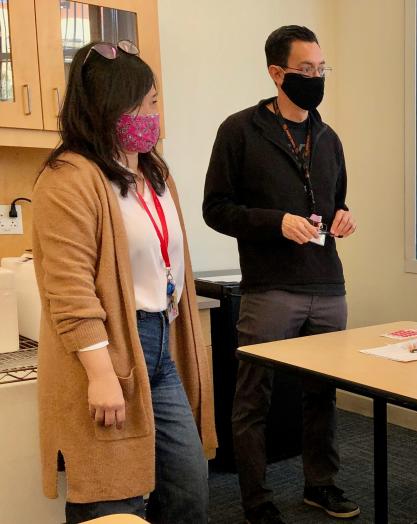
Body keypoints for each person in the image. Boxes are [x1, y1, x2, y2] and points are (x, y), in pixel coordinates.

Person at [32, 41, 216, 523]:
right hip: (109, 349)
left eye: (156, 101)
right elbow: (68, 290)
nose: (155, 113)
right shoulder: (68, 178)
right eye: (147, 103)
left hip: (158, 343)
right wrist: (100, 375)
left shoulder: (153, 173)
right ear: (108, 105)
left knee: (187, 490)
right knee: (114, 496)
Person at [202, 25, 358, 523]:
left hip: (327, 283)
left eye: (320, 70)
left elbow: (337, 202)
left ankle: (321, 484)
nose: (315, 79)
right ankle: (256, 500)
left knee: (323, 393)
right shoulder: (239, 131)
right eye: (305, 70)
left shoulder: (328, 138)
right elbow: (216, 209)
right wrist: (276, 223)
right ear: (277, 73)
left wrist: (344, 217)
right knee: (254, 396)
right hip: (270, 287)